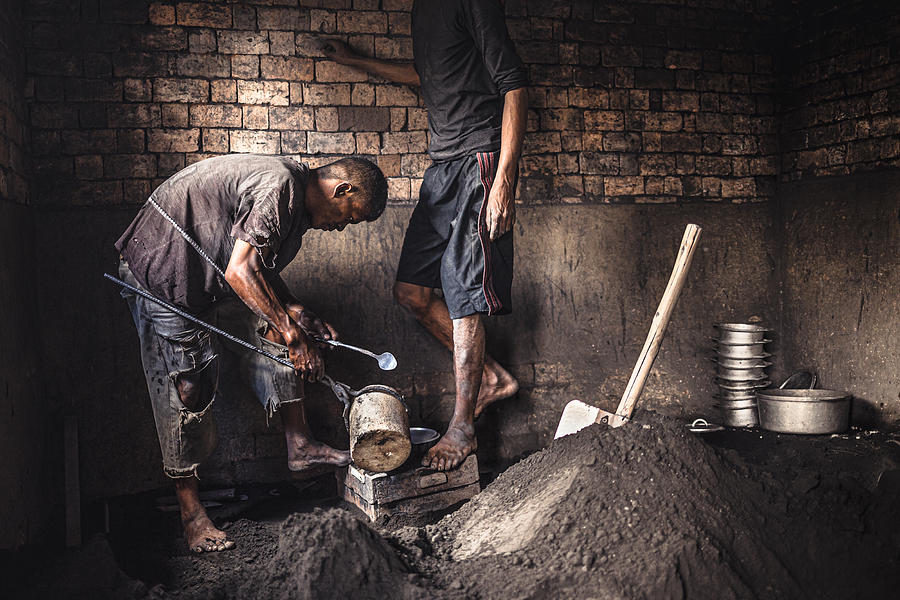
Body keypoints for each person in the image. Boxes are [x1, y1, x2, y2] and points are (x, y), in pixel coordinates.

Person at [115, 153, 387, 553]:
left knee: (274, 332)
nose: (341, 227)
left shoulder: (293, 201)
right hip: (164, 273)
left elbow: (258, 266)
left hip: (207, 276)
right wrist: (294, 335)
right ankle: (191, 515)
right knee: (187, 389)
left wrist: (297, 313)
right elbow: (240, 272)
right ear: (341, 190)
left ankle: (301, 447)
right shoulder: (281, 187)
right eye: (350, 216)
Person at [321, 0, 528, 471]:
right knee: (411, 292)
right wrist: (354, 60)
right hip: (441, 170)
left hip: (481, 161)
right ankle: (492, 380)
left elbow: (515, 85)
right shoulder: (422, 10)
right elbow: (426, 74)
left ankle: (463, 428)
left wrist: (504, 185)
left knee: (464, 295)